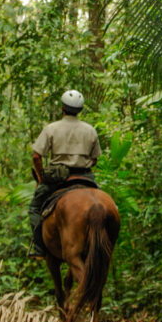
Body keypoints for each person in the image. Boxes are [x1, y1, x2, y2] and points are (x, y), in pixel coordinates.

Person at [27, 89, 102, 257]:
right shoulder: (90, 130)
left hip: (58, 179)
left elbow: (36, 156)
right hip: (85, 176)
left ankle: (39, 247)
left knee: (34, 207)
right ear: (80, 110)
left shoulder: (51, 128)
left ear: (62, 108)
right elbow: (95, 159)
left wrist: (41, 176)